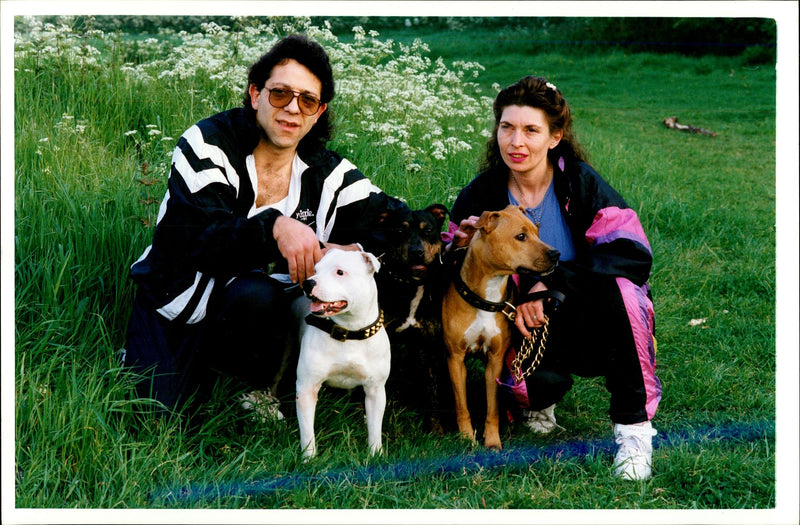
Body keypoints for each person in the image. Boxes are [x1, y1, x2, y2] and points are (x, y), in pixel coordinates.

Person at [123, 34, 405, 415]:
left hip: (258, 309)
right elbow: (202, 238)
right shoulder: (208, 144)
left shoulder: (328, 173)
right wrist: (276, 227)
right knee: (156, 415)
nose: (292, 109)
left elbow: (397, 220)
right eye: (280, 94)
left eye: (307, 100)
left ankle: (257, 385)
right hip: (178, 300)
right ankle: (161, 362)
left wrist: (356, 251)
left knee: (261, 293)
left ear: (318, 113)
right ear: (255, 94)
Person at [447, 76, 661, 480]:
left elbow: (631, 254)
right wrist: (459, 248)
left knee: (625, 294)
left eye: (531, 130)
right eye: (507, 127)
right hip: (523, 325)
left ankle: (634, 435)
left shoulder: (579, 183)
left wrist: (552, 283)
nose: (516, 142)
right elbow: (450, 263)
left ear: (555, 136)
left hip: (592, 315)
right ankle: (538, 403)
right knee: (523, 385)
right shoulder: (484, 192)